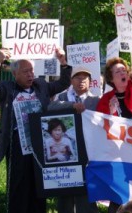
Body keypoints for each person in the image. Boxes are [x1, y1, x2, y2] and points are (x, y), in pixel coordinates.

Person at [0, 48, 72, 213]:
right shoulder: (7, 88)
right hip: (17, 145)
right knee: (19, 186)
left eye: (32, 70)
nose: (30, 74)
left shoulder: (41, 86)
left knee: (39, 186)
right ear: (15, 74)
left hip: (41, 145)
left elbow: (63, 83)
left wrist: (63, 62)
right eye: (26, 71)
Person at [96, 26, 132, 213]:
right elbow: (101, 129)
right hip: (120, 155)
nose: (123, 73)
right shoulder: (106, 100)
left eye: (124, 70)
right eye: (118, 71)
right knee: (121, 192)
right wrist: (111, 113)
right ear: (112, 79)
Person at [48, 65, 99, 213]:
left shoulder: (96, 100)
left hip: (88, 152)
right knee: (65, 191)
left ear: (90, 82)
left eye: (85, 78)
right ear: (71, 80)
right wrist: (72, 106)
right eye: (77, 77)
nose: (81, 81)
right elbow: (50, 107)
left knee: (86, 190)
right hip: (66, 153)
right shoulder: (62, 98)